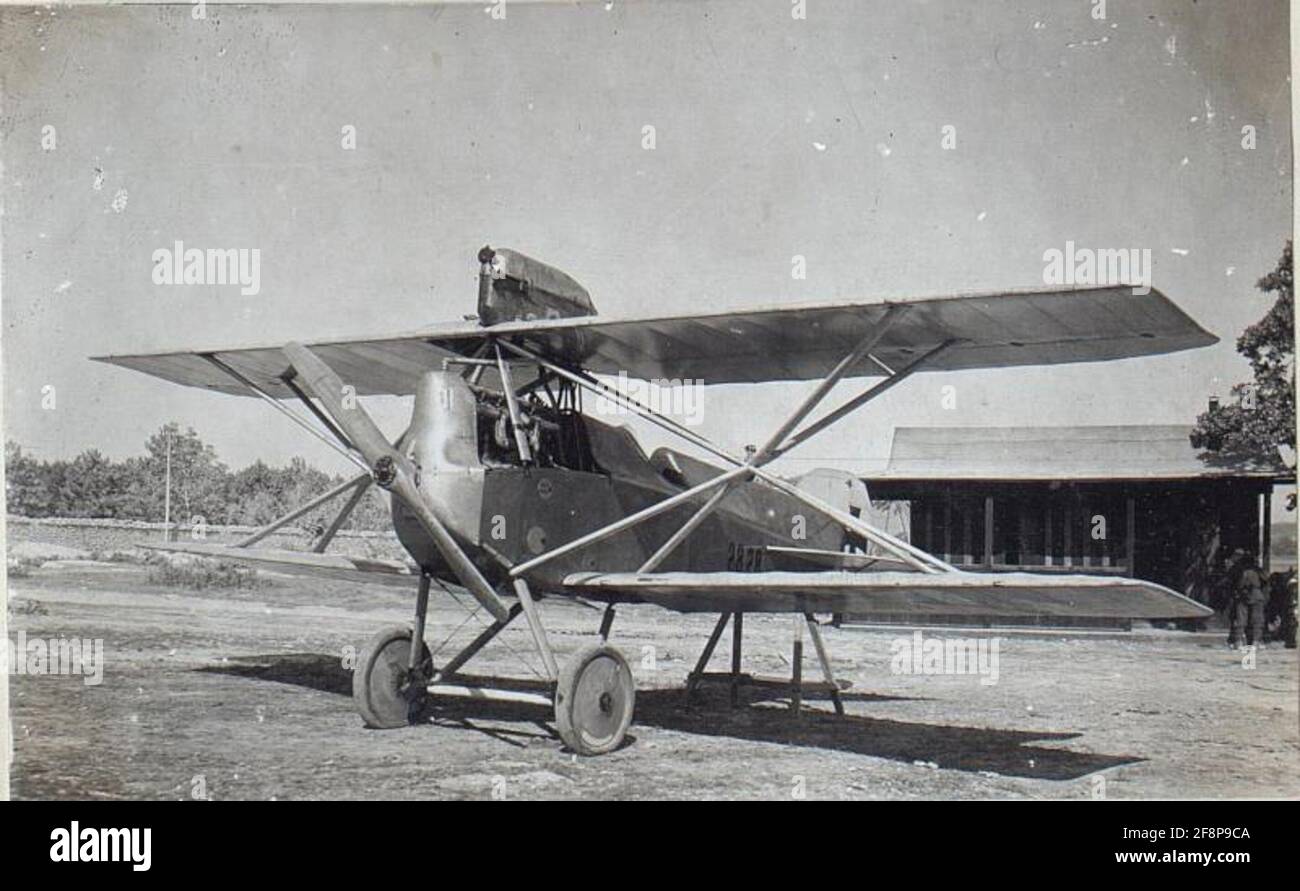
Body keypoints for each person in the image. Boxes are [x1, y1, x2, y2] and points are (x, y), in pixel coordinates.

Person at [1228, 550, 1267, 648]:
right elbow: (1266, 580)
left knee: (1241, 619)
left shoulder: (1239, 569)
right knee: (1257, 620)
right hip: (1256, 595)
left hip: (1243, 596)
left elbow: (1234, 582)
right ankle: (1256, 641)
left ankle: (1238, 641)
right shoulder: (1257, 570)